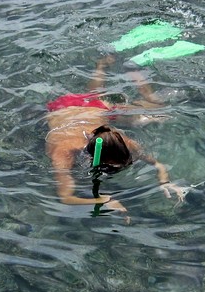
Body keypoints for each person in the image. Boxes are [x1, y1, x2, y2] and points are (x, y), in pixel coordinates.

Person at [45, 54, 188, 215]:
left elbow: (157, 164)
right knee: (95, 94)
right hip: (63, 108)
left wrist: (165, 182)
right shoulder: (64, 150)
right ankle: (108, 67)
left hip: (95, 108)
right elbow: (65, 197)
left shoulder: (123, 141)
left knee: (151, 107)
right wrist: (105, 200)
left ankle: (102, 65)